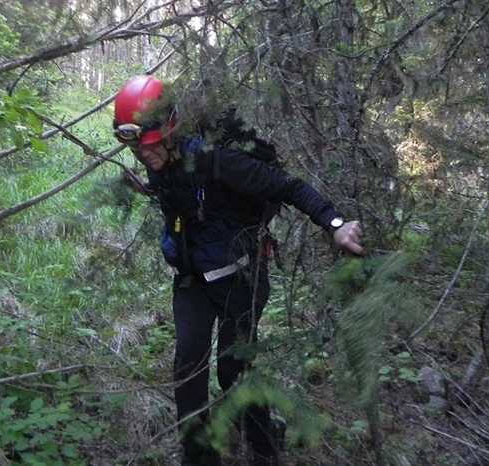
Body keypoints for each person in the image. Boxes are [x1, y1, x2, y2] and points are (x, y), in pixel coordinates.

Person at [113, 75, 363, 466]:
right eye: (134, 148)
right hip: (193, 277)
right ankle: (198, 458)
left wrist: (335, 224)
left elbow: (286, 186)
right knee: (188, 369)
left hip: (241, 278)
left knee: (234, 368)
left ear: (171, 129)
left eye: (149, 145)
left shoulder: (217, 159)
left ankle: (264, 447)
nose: (144, 156)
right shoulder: (158, 158)